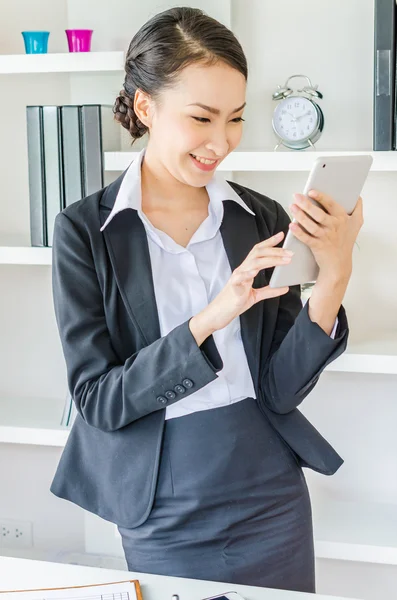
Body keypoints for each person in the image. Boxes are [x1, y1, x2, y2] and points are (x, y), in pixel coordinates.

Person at [50, 6, 362, 594]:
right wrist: (214, 316)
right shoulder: (84, 232)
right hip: (160, 499)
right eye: (202, 117)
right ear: (145, 106)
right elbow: (98, 400)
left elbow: (281, 387)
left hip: (270, 491)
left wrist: (335, 275)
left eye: (237, 118)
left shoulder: (261, 218)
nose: (222, 142)